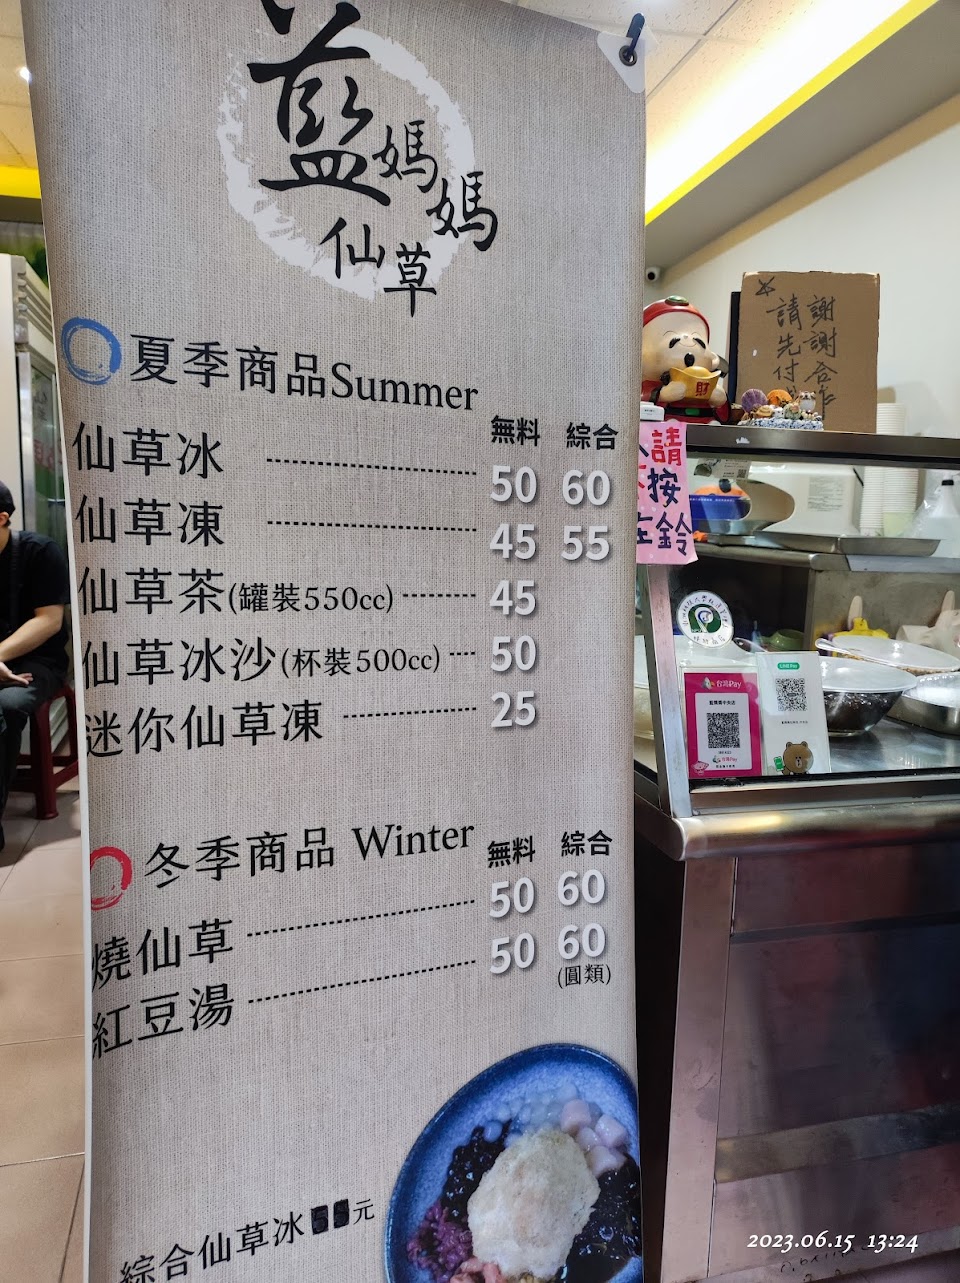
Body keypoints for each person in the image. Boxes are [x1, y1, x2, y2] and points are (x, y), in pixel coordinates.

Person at [0, 481, 71, 849]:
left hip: (37, 660)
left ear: (1, 518)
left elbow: (49, 621)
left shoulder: (39, 552)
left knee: (7, 706)